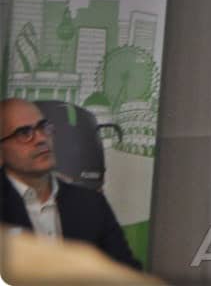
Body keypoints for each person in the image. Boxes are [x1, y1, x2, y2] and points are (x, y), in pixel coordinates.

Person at [0, 98, 141, 270]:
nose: (41, 138)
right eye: (24, 133)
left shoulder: (91, 204)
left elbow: (126, 272)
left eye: (43, 127)